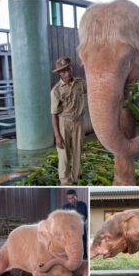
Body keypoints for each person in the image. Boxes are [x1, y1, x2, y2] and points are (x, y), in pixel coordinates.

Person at [51, 57, 87, 185]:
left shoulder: (80, 84)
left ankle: (75, 179)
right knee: (64, 156)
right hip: (64, 123)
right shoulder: (56, 91)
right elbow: (54, 114)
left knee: (78, 153)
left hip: (78, 123)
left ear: (71, 68)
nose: (67, 73)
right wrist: (57, 136)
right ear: (59, 73)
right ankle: (65, 182)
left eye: (68, 69)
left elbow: (94, 88)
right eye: (63, 71)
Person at [62, 189, 88, 259]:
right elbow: (63, 219)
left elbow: (85, 216)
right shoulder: (65, 207)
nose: (71, 200)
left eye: (73, 197)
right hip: (70, 231)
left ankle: (84, 259)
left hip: (81, 229)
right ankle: (72, 259)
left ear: (76, 196)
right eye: (69, 198)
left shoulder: (83, 205)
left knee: (83, 245)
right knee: (71, 246)